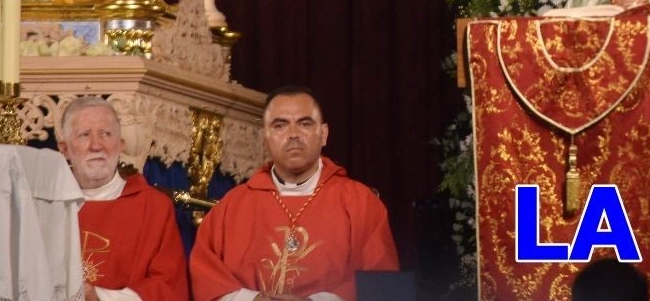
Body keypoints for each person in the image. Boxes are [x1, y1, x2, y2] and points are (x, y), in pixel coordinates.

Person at [189, 86, 399, 301]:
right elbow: (207, 278)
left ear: (323, 134)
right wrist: (255, 300)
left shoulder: (360, 203)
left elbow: (380, 282)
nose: (293, 135)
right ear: (266, 138)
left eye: (305, 123)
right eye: (280, 125)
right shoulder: (232, 206)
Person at [56, 96, 189, 301]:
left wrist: (100, 297)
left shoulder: (153, 208)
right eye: (84, 135)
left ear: (120, 145)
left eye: (106, 134)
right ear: (64, 149)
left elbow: (168, 286)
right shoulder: (45, 205)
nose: (96, 145)